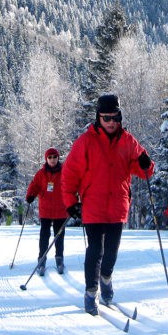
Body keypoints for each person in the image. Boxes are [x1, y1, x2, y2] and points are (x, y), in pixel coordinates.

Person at [62, 94, 154, 315]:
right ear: (98, 118)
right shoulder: (86, 141)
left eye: (115, 117)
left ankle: (106, 278)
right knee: (95, 250)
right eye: (106, 118)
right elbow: (69, 174)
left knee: (111, 252)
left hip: (117, 206)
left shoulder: (128, 141)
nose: (111, 122)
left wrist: (146, 163)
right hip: (93, 206)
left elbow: (144, 171)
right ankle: (91, 293)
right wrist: (71, 203)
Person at [26, 148, 68, 276]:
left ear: (58, 158)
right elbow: (34, 185)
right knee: (44, 237)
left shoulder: (65, 171)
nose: (52, 159)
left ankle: (59, 259)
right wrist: (30, 195)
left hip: (61, 210)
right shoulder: (41, 173)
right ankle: (42, 260)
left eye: (54, 157)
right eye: (50, 157)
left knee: (59, 237)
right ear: (46, 159)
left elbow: (72, 184)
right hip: (46, 210)